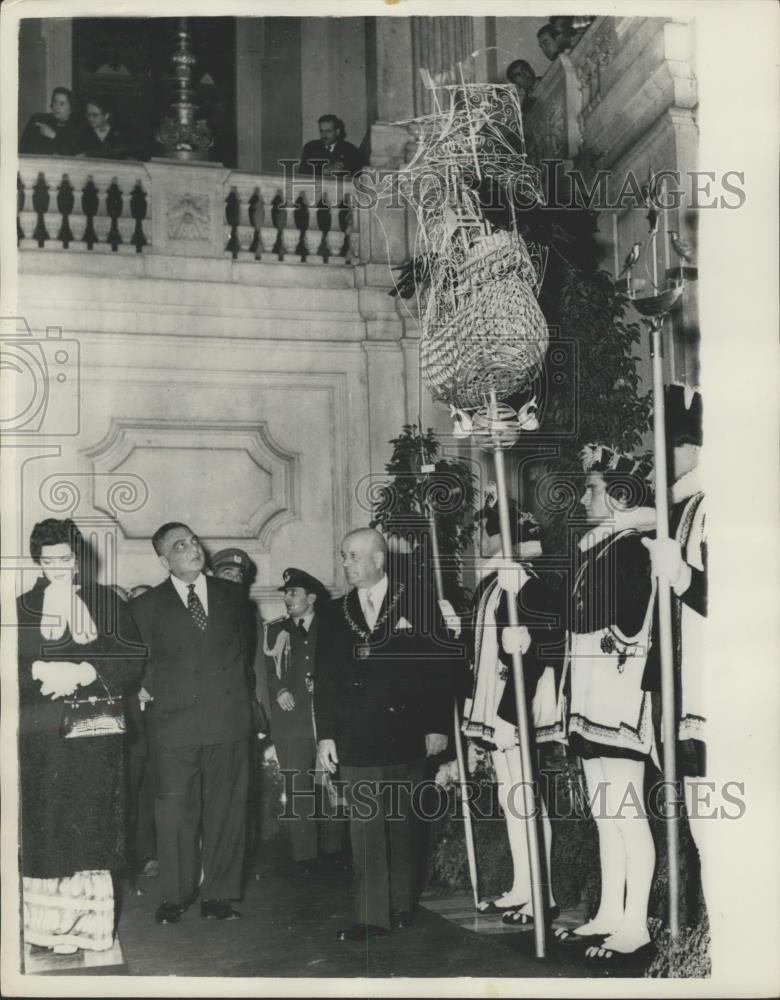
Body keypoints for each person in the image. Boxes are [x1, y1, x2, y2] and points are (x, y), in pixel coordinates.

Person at [314, 528, 457, 940]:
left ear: (379, 559)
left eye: (353, 556)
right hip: (356, 737)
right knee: (364, 827)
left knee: (403, 824)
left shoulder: (417, 602)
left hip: (408, 733)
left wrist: (437, 726)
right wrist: (326, 736)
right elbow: (324, 680)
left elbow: (440, 669)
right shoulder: (333, 612)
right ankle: (369, 915)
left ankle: (400, 906)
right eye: (343, 555)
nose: (346, 563)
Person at [17, 518, 142, 955]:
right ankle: (47, 930)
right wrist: (38, 671)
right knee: (50, 827)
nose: (58, 568)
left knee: (90, 826)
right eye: (48, 561)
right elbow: (10, 667)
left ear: (79, 558)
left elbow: (130, 663)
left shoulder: (106, 603)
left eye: (65, 559)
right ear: (38, 561)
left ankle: (86, 930)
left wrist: (87, 671)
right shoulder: (21, 606)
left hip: (94, 736)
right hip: (43, 742)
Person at [555, 445, 657, 965]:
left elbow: (631, 624)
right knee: (604, 811)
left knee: (625, 810)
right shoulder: (600, 544)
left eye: (594, 488)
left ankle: (635, 923)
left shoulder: (632, 546)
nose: (585, 496)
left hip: (618, 697)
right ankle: (609, 913)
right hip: (592, 697)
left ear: (619, 496)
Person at [128, 523, 255, 925]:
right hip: (173, 726)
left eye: (194, 540)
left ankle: (218, 895)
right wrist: (152, 692)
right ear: (164, 560)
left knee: (227, 810)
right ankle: (177, 894)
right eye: (179, 546)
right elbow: (138, 665)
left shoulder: (234, 598)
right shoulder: (145, 607)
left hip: (228, 722)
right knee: (175, 813)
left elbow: (243, 656)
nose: (192, 548)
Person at [462, 490, 564, 925]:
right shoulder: (493, 581)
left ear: (500, 535)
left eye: (484, 531)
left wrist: (508, 713)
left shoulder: (524, 580)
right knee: (511, 798)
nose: (478, 540)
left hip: (516, 706)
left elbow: (537, 653)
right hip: (495, 706)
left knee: (525, 797)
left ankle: (543, 894)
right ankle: (523, 886)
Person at [642, 384, 709, 909]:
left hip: (714, 693)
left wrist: (685, 576)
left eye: (668, 446)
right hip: (685, 691)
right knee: (699, 820)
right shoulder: (686, 508)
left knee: (713, 821)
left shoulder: (714, 507)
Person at [264, 567, 348, 874]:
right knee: (298, 787)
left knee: (331, 785)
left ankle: (334, 850)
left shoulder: (333, 627)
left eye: (293, 593)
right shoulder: (274, 630)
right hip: (292, 721)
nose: (287, 599)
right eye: (286, 594)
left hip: (328, 721)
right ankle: (305, 856)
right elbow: (268, 672)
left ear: (311, 598)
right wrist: (280, 689)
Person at [19, 86, 83, 156]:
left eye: (62, 104)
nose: (56, 107)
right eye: (54, 102)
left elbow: (75, 153)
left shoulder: (77, 127)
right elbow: (23, 149)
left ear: (71, 108)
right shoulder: (39, 119)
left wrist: (54, 136)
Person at [299, 114, 365, 178]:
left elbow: (358, 174)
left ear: (337, 132)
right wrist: (324, 171)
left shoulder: (350, 149)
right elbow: (302, 172)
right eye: (321, 131)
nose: (324, 135)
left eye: (328, 131)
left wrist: (344, 171)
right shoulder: (311, 147)